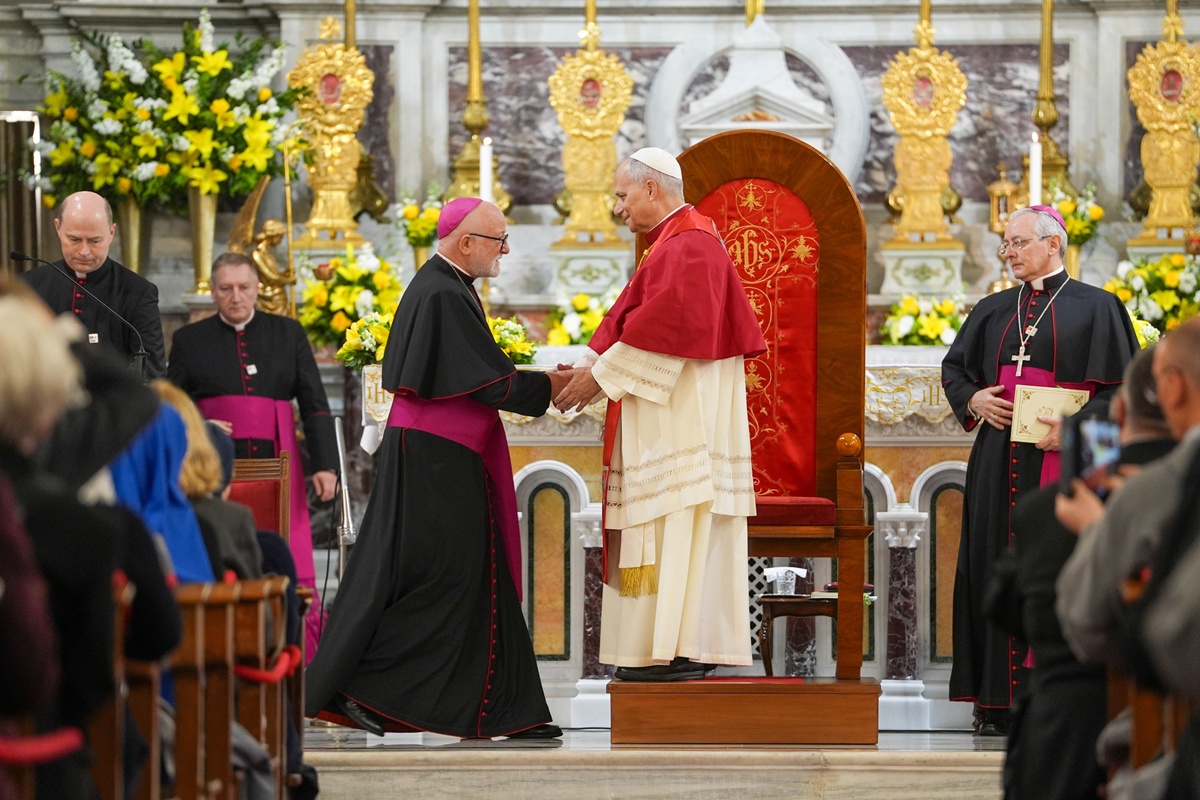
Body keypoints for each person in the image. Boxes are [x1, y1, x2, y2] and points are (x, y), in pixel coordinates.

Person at [305, 198, 573, 739]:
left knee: (465, 579)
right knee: (444, 581)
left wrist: (544, 382)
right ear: (466, 241)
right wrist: (553, 385)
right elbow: (490, 383)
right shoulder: (442, 292)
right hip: (439, 459)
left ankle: (503, 710)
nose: (506, 250)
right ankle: (362, 689)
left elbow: (473, 373)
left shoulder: (446, 286)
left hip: (439, 453)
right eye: (499, 240)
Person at [553, 147, 767, 681]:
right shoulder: (674, 240)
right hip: (667, 416)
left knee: (674, 525)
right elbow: (634, 319)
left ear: (651, 188)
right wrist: (590, 365)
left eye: (623, 196)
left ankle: (676, 648)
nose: (618, 208)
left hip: (680, 425)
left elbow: (667, 330)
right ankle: (656, 647)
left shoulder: (690, 244)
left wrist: (598, 377)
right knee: (659, 528)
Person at [941, 205, 1139, 733]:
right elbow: (955, 370)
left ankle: (1053, 699)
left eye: (1018, 242)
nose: (1009, 253)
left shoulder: (1099, 307)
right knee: (992, 565)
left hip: (1063, 462)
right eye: (1006, 244)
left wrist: (1073, 431)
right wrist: (974, 398)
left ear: (1053, 244)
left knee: (1053, 568)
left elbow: (1122, 395)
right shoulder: (992, 308)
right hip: (996, 458)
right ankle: (994, 703)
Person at [988, 348, 1174, 800]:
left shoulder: (1045, 511)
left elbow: (1003, 605)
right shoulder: (1179, 497)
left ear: (1120, 412)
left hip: (1065, 733)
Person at [168, 252, 338, 659]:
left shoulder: (288, 333)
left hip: (281, 463)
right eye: (226, 288)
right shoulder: (189, 340)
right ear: (213, 292)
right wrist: (202, 426)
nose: (236, 296)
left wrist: (326, 465)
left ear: (258, 288)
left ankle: (298, 647)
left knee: (287, 550)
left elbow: (314, 403)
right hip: (215, 471)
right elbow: (173, 404)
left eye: (244, 287)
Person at [19, 190, 165, 378]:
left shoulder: (138, 292)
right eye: (74, 239)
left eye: (95, 241)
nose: (84, 251)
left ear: (111, 233)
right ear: (58, 228)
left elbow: (152, 370)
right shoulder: (29, 287)